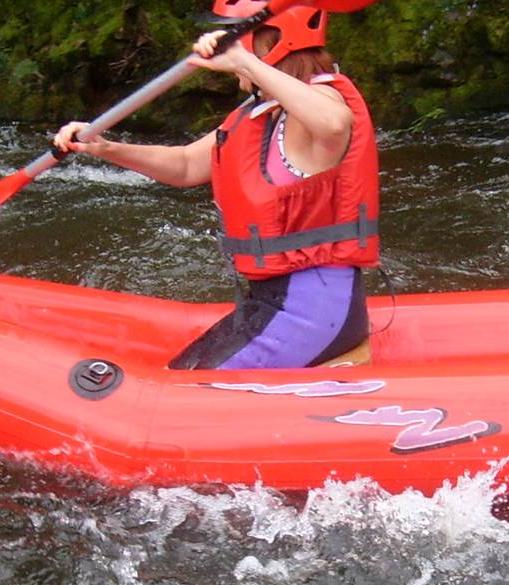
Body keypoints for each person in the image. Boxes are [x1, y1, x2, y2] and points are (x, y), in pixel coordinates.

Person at [54, 0, 380, 369]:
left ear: (267, 42)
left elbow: (334, 124)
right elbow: (186, 165)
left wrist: (246, 64)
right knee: (179, 372)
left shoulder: (323, 97)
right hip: (271, 304)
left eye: (235, 35)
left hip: (314, 314)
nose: (226, 44)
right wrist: (105, 148)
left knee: (182, 392)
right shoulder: (257, 111)